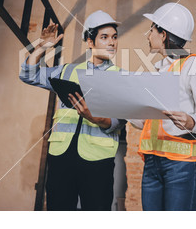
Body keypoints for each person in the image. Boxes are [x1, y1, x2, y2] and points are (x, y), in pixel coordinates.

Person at [19, 11, 126, 211]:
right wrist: (42, 46)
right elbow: (28, 74)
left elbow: (118, 121)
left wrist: (92, 117)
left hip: (97, 161)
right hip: (61, 158)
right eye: (104, 37)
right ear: (90, 42)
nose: (112, 43)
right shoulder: (67, 71)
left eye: (114, 37)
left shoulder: (121, 77)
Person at [130, 2, 196, 211]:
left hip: (183, 164)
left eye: (151, 29)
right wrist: (123, 107)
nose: (147, 35)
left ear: (163, 35)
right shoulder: (156, 71)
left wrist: (192, 121)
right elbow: (147, 122)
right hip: (153, 163)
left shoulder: (193, 65)